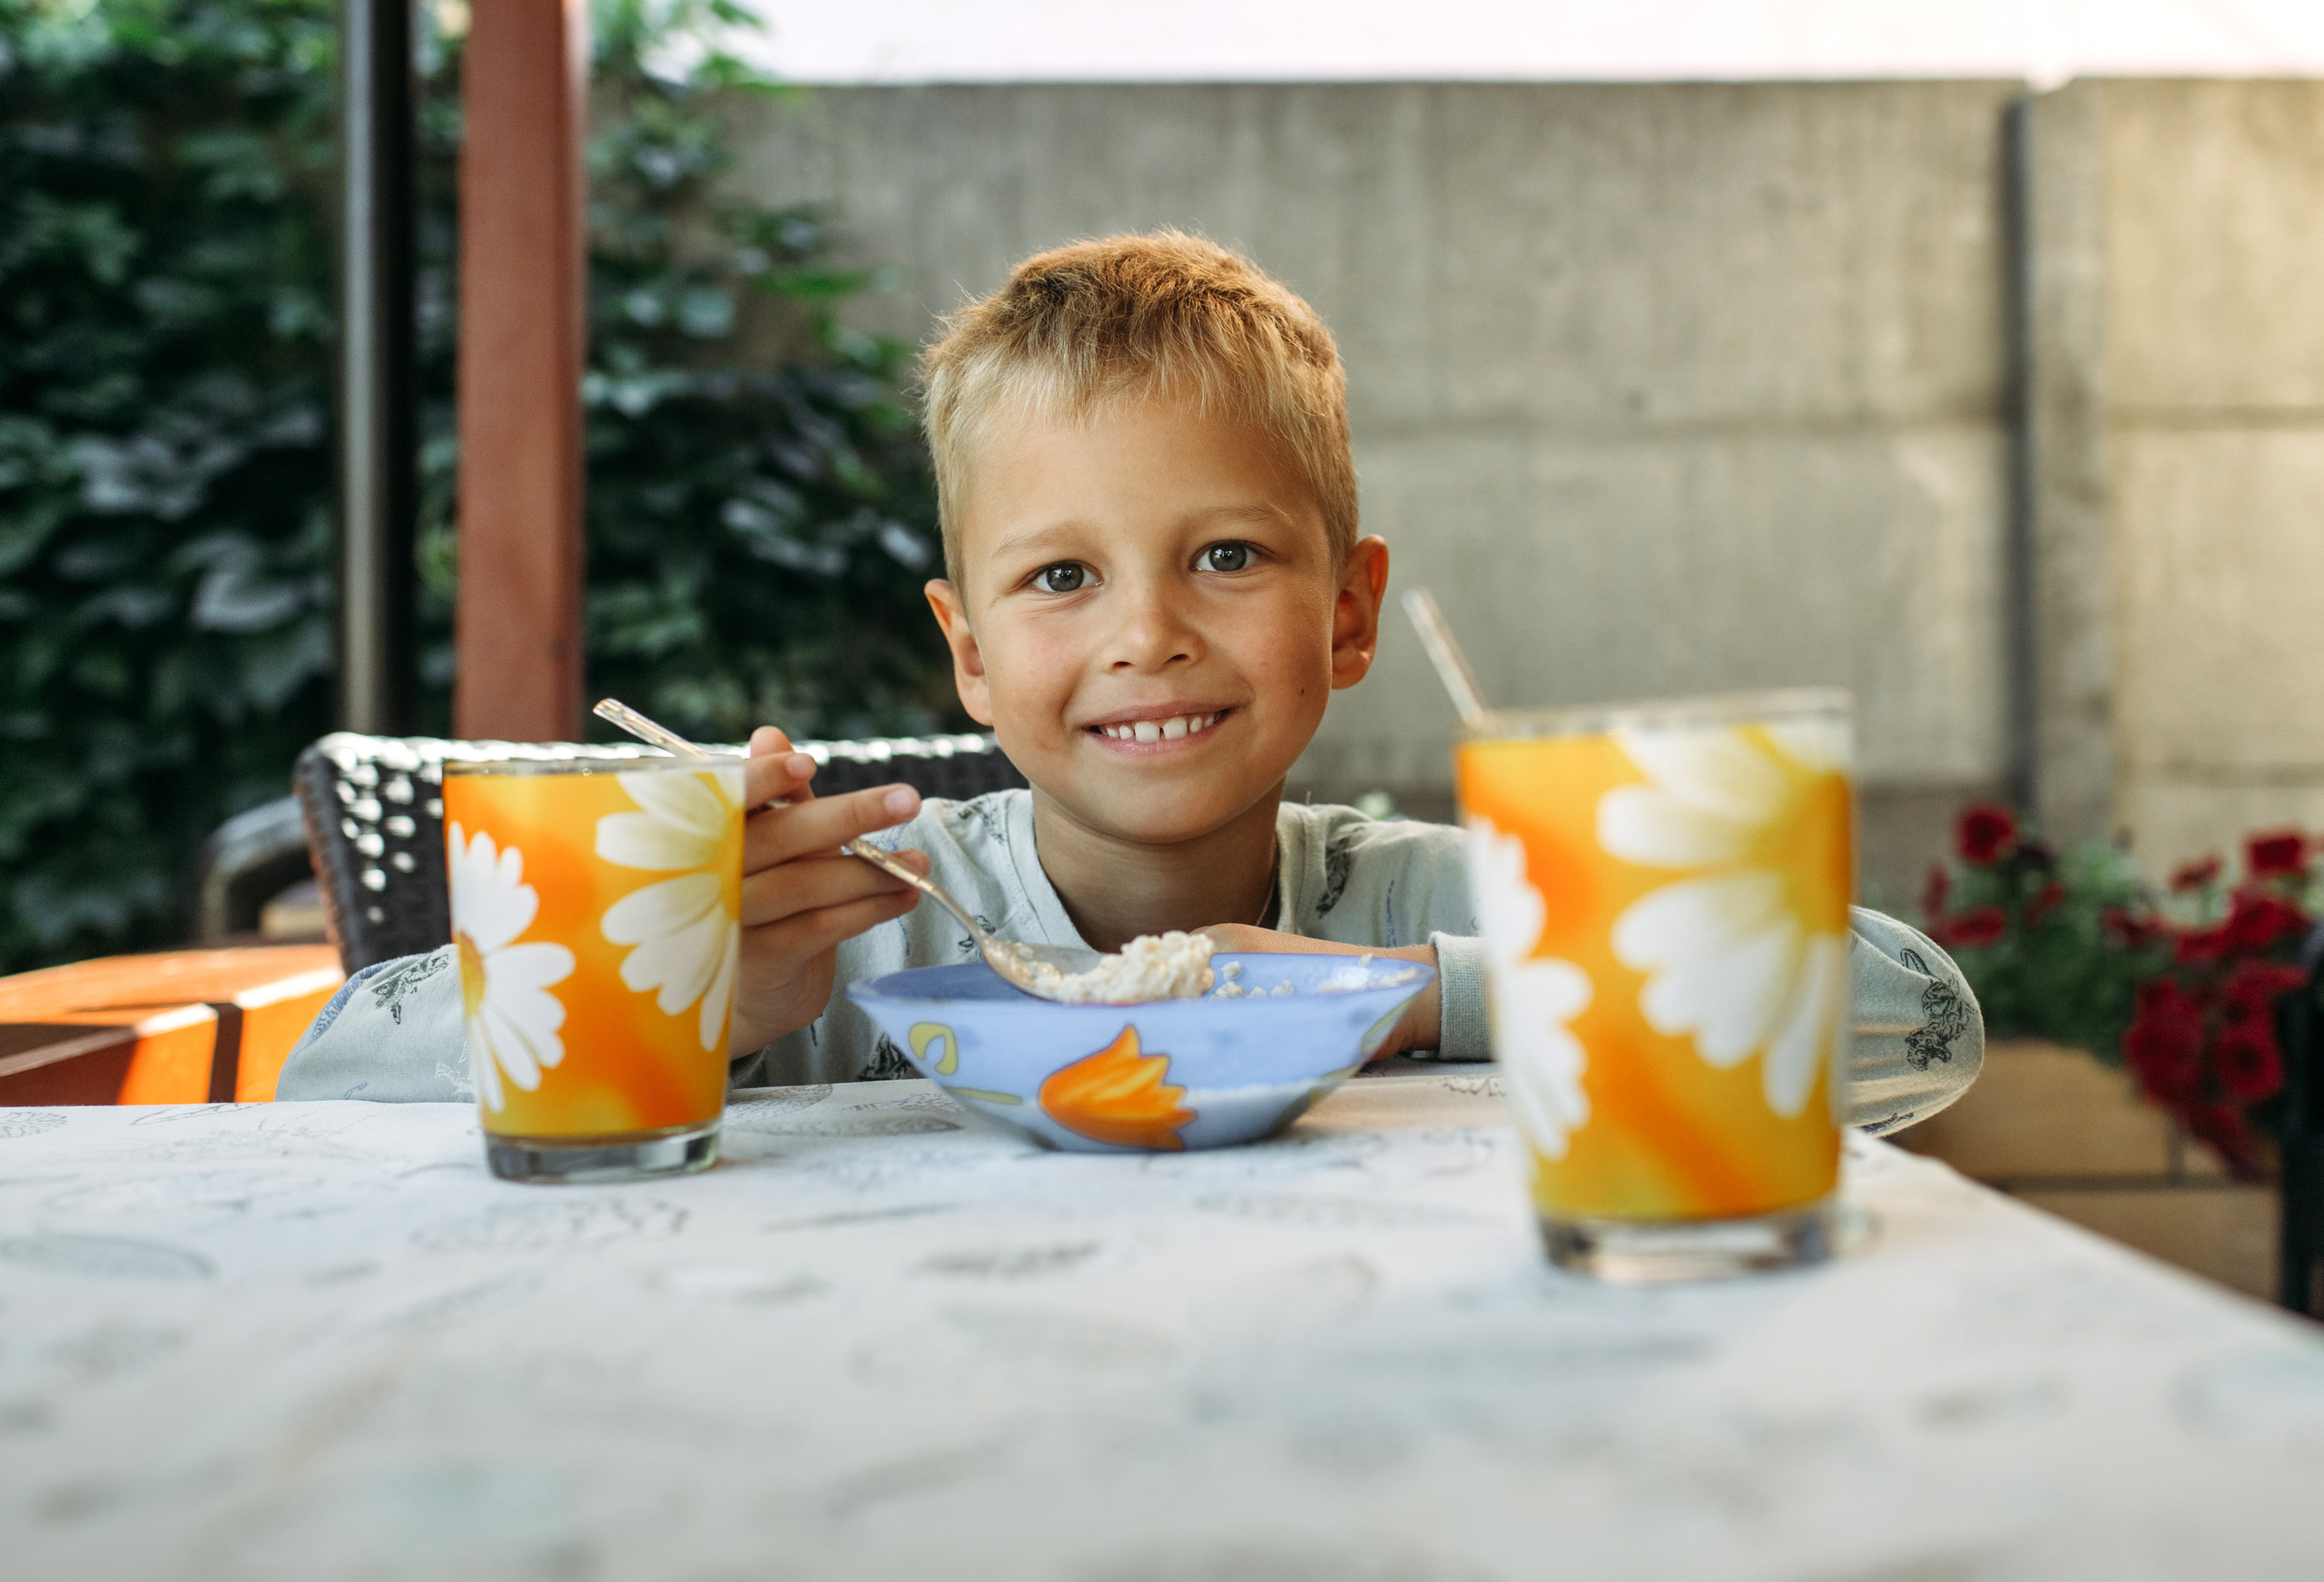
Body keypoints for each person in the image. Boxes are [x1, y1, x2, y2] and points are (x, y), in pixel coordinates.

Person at [279, 231, 1981, 1134]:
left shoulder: (1427, 905)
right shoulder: (833, 937)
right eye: (1061, 578)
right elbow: (323, 1074)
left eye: (1227, 558)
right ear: (967, 649)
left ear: (1350, 611)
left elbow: (1916, 1012)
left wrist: (1405, 995)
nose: (1146, 634)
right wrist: (665, 997)